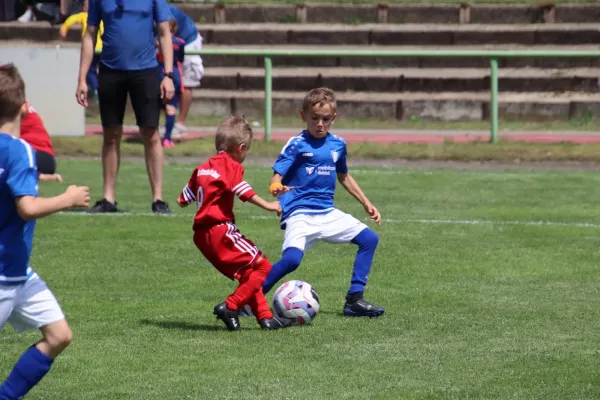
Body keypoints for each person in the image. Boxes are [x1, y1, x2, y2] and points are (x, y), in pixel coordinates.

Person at [0, 63, 90, 400]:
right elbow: (27, 207)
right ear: (25, 107)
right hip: (4, 272)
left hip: (19, 272)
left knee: (59, 334)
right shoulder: (20, 149)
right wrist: (66, 198)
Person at [262, 87, 385, 318]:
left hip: (327, 213)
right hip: (300, 212)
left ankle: (354, 300)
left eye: (326, 119)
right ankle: (252, 297)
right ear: (303, 116)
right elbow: (276, 177)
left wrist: (366, 203)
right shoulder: (296, 143)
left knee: (369, 239)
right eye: (314, 118)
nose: (320, 124)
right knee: (291, 260)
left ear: (333, 119)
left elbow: (344, 176)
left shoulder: (338, 144)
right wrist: (275, 188)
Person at [177, 116, 294, 331]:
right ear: (241, 148)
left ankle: (265, 318)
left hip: (202, 237)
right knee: (264, 266)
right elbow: (242, 190)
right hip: (220, 230)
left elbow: (183, 199)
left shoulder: (202, 168)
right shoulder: (230, 166)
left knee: (248, 274)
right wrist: (269, 205)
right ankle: (229, 306)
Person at [76, 0, 175, 214]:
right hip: (111, 71)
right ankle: (108, 198)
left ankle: (158, 199)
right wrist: (82, 78)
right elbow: (90, 34)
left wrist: (168, 75)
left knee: (151, 133)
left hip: (146, 70)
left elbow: (164, 32)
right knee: (111, 133)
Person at [168, 4, 204, 136]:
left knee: (187, 83)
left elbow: (166, 34)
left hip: (188, 42)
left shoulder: (163, 12)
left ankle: (180, 124)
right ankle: (168, 123)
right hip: (167, 43)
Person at [59, 0, 104, 98]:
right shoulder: (101, 17)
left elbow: (72, 19)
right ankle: (99, 86)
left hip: (93, 48)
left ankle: (95, 87)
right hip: (101, 48)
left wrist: (64, 28)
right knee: (100, 69)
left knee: (90, 69)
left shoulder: (84, 16)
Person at [156, 18, 185, 148]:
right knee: (171, 107)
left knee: (155, 107)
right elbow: (181, 58)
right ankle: (167, 138)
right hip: (174, 75)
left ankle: (154, 137)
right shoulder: (180, 42)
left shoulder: (155, 42)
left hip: (158, 73)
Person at [19, 103, 62, 182]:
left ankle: (39, 176)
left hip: (33, 155)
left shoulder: (11, 106)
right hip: (45, 158)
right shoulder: (19, 103)